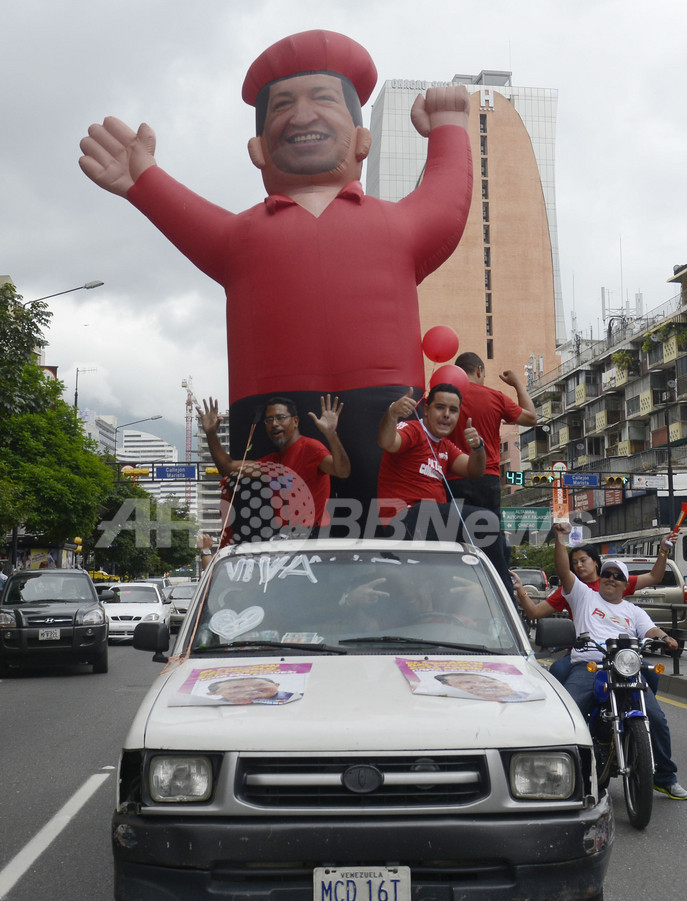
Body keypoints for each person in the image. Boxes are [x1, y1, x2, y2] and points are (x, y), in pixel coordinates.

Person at [79, 29, 473, 510]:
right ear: (258, 149)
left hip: (387, 402)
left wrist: (449, 129)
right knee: (273, 526)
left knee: (389, 520)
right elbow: (187, 219)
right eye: (284, 105)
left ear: (362, 139)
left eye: (323, 99)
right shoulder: (242, 237)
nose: (302, 116)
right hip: (267, 406)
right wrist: (143, 180)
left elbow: (444, 205)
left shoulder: (395, 226)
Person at [553, 522, 687, 800]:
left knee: (657, 719)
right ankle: (559, 773)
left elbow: (651, 630)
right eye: (606, 574)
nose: (611, 579)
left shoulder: (632, 610)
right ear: (600, 578)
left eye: (617, 576)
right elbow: (564, 570)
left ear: (626, 585)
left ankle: (665, 777)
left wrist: (666, 638)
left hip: (626, 669)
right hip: (590, 665)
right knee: (568, 714)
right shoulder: (583, 595)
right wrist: (560, 539)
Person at [376, 384, 513, 596]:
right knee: (485, 521)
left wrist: (477, 447)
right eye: (440, 407)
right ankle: (503, 598)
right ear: (427, 409)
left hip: (431, 524)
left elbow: (475, 470)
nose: (446, 415)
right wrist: (392, 413)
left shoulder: (445, 446)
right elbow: (387, 442)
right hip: (405, 519)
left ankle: (490, 602)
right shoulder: (413, 430)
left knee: (502, 543)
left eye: (453, 410)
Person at [513, 538, 673, 689]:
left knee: (650, 676)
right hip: (586, 651)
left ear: (624, 585)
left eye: (583, 560)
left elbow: (654, 577)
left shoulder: (619, 588)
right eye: (574, 563)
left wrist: (663, 550)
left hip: (620, 655)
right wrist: (521, 590)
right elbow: (534, 612)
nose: (579, 566)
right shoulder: (576, 590)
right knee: (558, 671)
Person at [200, 393, 350, 545]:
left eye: (280, 417)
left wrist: (331, 434)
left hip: (313, 540)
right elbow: (228, 468)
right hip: (286, 541)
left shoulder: (311, 448)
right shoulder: (272, 462)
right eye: (269, 420)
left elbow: (343, 471)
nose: (274, 424)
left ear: (295, 421)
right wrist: (211, 434)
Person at [447, 352, 537, 513]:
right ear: (479, 370)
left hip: (452, 477)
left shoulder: (444, 399)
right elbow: (531, 418)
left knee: (453, 527)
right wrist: (517, 383)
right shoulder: (496, 397)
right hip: (487, 478)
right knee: (487, 527)